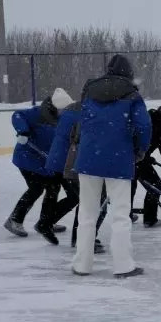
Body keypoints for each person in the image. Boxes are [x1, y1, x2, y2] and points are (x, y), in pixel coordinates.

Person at [72, 55, 151, 278]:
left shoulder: (89, 91)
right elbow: (144, 125)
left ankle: (82, 265)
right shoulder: (132, 94)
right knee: (120, 215)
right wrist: (140, 150)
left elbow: (82, 121)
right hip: (119, 159)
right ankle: (123, 265)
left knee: (87, 215)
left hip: (88, 159)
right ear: (127, 73)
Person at [4, 88, 74, 244]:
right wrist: (23, 131)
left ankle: (46, 221)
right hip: (27, 159)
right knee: (36, 188)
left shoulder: (63, 118)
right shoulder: (37, 113)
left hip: (45, 162)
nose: (65, 112)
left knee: (53, 187)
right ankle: (14, 220)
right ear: (55, 107)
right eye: (63, 109)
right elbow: (17, 115)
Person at [44, 100, 106, 253]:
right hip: (77, 166)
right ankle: (81, 239)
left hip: (68, 163)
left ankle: (77, 237)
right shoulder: (90, 115)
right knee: (93, 204)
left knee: (83, 201)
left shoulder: (76, 111)